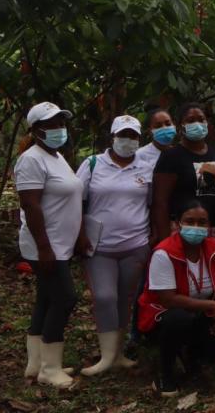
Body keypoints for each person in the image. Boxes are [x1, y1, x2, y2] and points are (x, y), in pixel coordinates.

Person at [137, 200, 215, 397]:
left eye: (202, 222)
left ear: (209, 226)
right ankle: (165, 373)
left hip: (198, 316)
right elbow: (167, 300)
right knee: (179, 318)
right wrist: (212, 304)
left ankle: (192, 358)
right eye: (190, 221)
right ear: (178, 223)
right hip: (162, 319)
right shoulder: (164, 252)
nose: (196, 227)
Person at [76, 115, 151, 376]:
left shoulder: (146, 166)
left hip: (136, 244)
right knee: (104, 297)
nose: (128, 141)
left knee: (125, 299)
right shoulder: (93, 164)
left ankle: (118, 354)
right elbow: (76, 200)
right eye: (123, 135)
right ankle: (106, 356)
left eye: (133, 136)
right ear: (112, 136)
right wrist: (79, 234)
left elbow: (153, 204)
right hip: (100, 246)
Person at [16, 102, 83, 388]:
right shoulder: (32, 159)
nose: (58, 129)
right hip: (46, 245)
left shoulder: (55, 156)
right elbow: (30, 205)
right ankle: (50, 368)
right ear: (35, 130)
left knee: (46, 297)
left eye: (60, 123)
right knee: (65, 298)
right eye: (51, 124)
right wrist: (44, 247)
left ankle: (35, 364)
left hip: (59, 243)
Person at [151, 103, 215, 247]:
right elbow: (160, 202)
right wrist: (165, 241)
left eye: (201, 119)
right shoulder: (171, 156)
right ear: (181, 125)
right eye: (190, 120)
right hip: (183, 232)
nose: (197, 124)